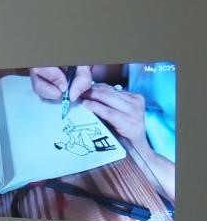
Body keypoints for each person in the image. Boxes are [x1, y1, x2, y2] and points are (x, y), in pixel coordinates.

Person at [30, 62, 177, 203]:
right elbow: (128, 71)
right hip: (116, 114)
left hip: (150, 166)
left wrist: (142, 150)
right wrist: (74, 71)